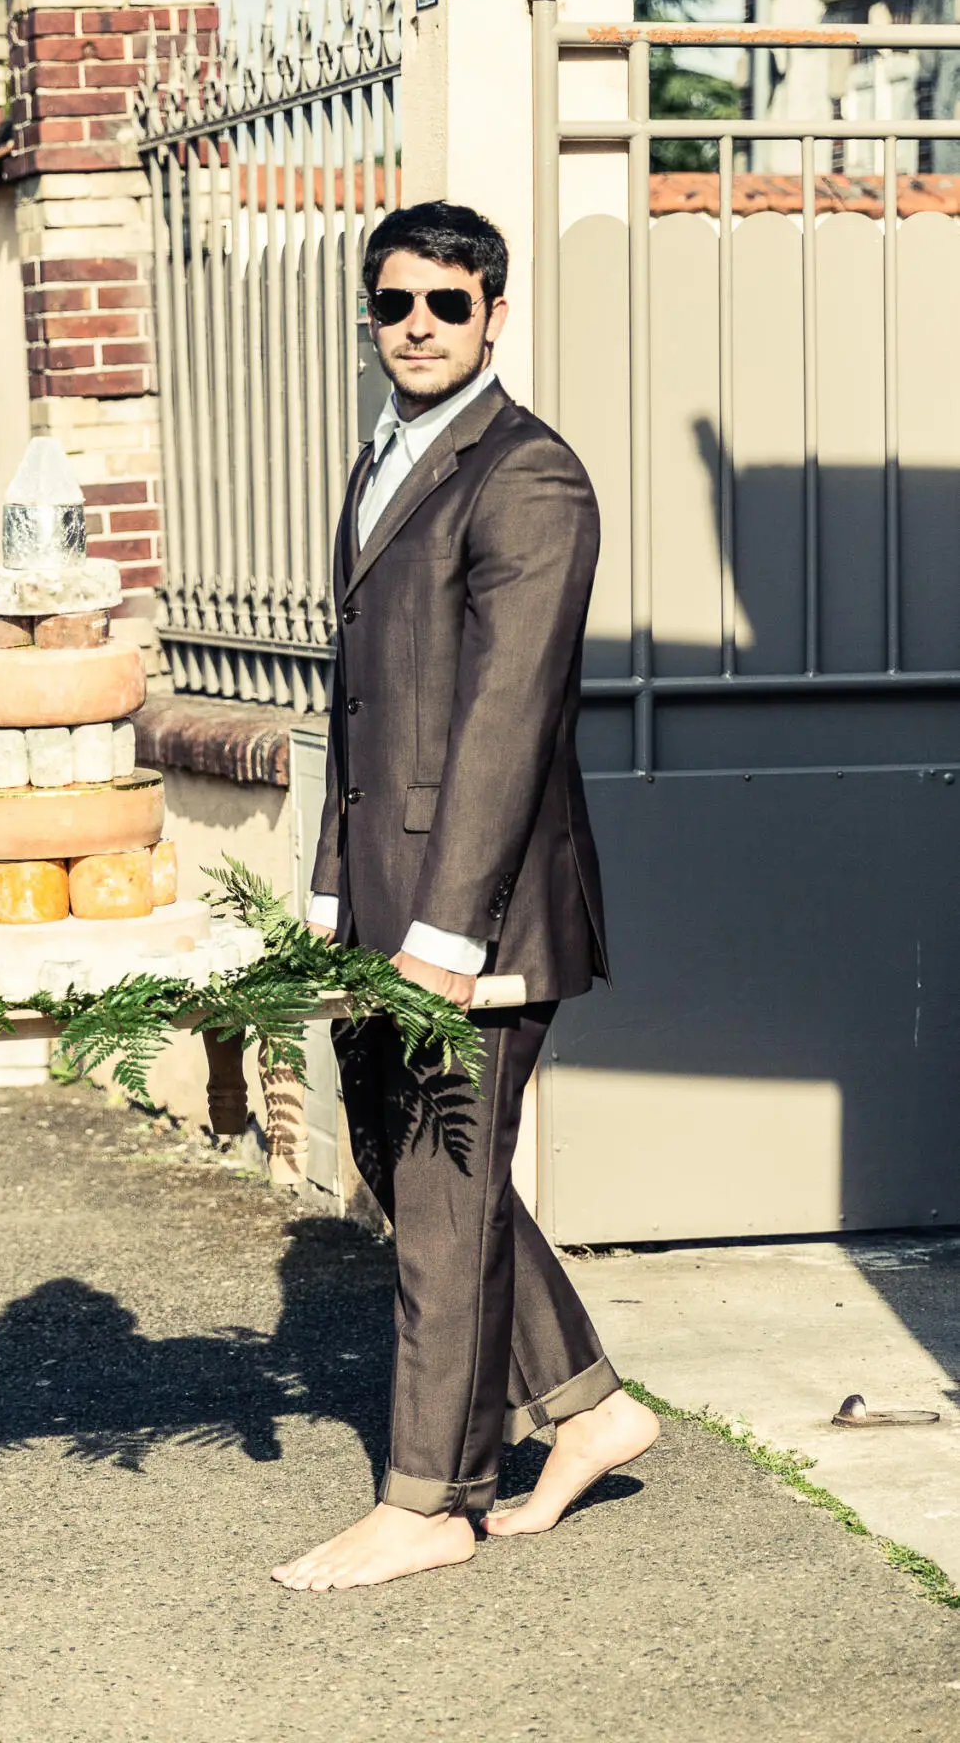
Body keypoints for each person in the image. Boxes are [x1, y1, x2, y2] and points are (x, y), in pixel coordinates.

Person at [273, 200, 657, 1594]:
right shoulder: (383, 460)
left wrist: (441, 938)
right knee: (403, 1164)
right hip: (383, 903)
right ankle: (592, 1409)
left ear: (496, 312)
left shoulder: (529, 478)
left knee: (438, 1194)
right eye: (393, 304)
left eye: (446, 303)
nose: (418, 327)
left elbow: (504, 725)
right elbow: (365, 715)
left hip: (477, 922)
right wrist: (329, 893)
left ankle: (431, 1499)